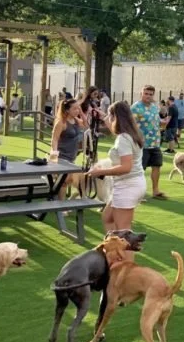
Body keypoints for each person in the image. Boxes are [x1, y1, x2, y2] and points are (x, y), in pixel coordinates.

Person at [87, 101, 147, 232]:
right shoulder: (131, 133)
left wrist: (100, 172)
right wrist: (103, 115)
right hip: (132, 183)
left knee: (123, 232)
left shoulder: (123, 139)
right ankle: (113, 249)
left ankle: (120, 250)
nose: (108, 119)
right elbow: (113, 128)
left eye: (110, 116)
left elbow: (126, 167)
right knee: (107, 217)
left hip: (128, 186)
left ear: (115, 117)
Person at [131, 85, 166, 199]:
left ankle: (155, 191)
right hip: (142, 144)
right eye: (146, 93)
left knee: (157, 166)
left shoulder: (155, 107)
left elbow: (156, 121)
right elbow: (131, 124)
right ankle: (138, 193)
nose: (148, 96)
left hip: (155, 142)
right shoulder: (135, 107)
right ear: (141, 93)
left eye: (151, 94)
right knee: (140, 169)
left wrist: (162, 123)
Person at [51, 98, 87, 201]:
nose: (77, 111)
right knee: (64, 181)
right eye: (74, 108)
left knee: (69, 180)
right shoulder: (61, 122)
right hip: (62, 156)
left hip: (71, 156)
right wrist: (54, 159)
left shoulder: (75, 120)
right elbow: (54, 140)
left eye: (78, 108)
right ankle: (61, 207)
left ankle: (57, 200)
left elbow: (86, 125)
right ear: (67, 110)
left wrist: (80, 111)